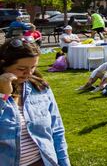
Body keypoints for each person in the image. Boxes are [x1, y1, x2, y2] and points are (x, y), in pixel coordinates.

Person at [0, 37, 70, 166]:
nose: (28, 73)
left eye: (33, 67)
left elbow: (57, 130)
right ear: (3, 64)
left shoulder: (40, 87)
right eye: (21, 69)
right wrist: (3, 96)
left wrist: (64, 163)